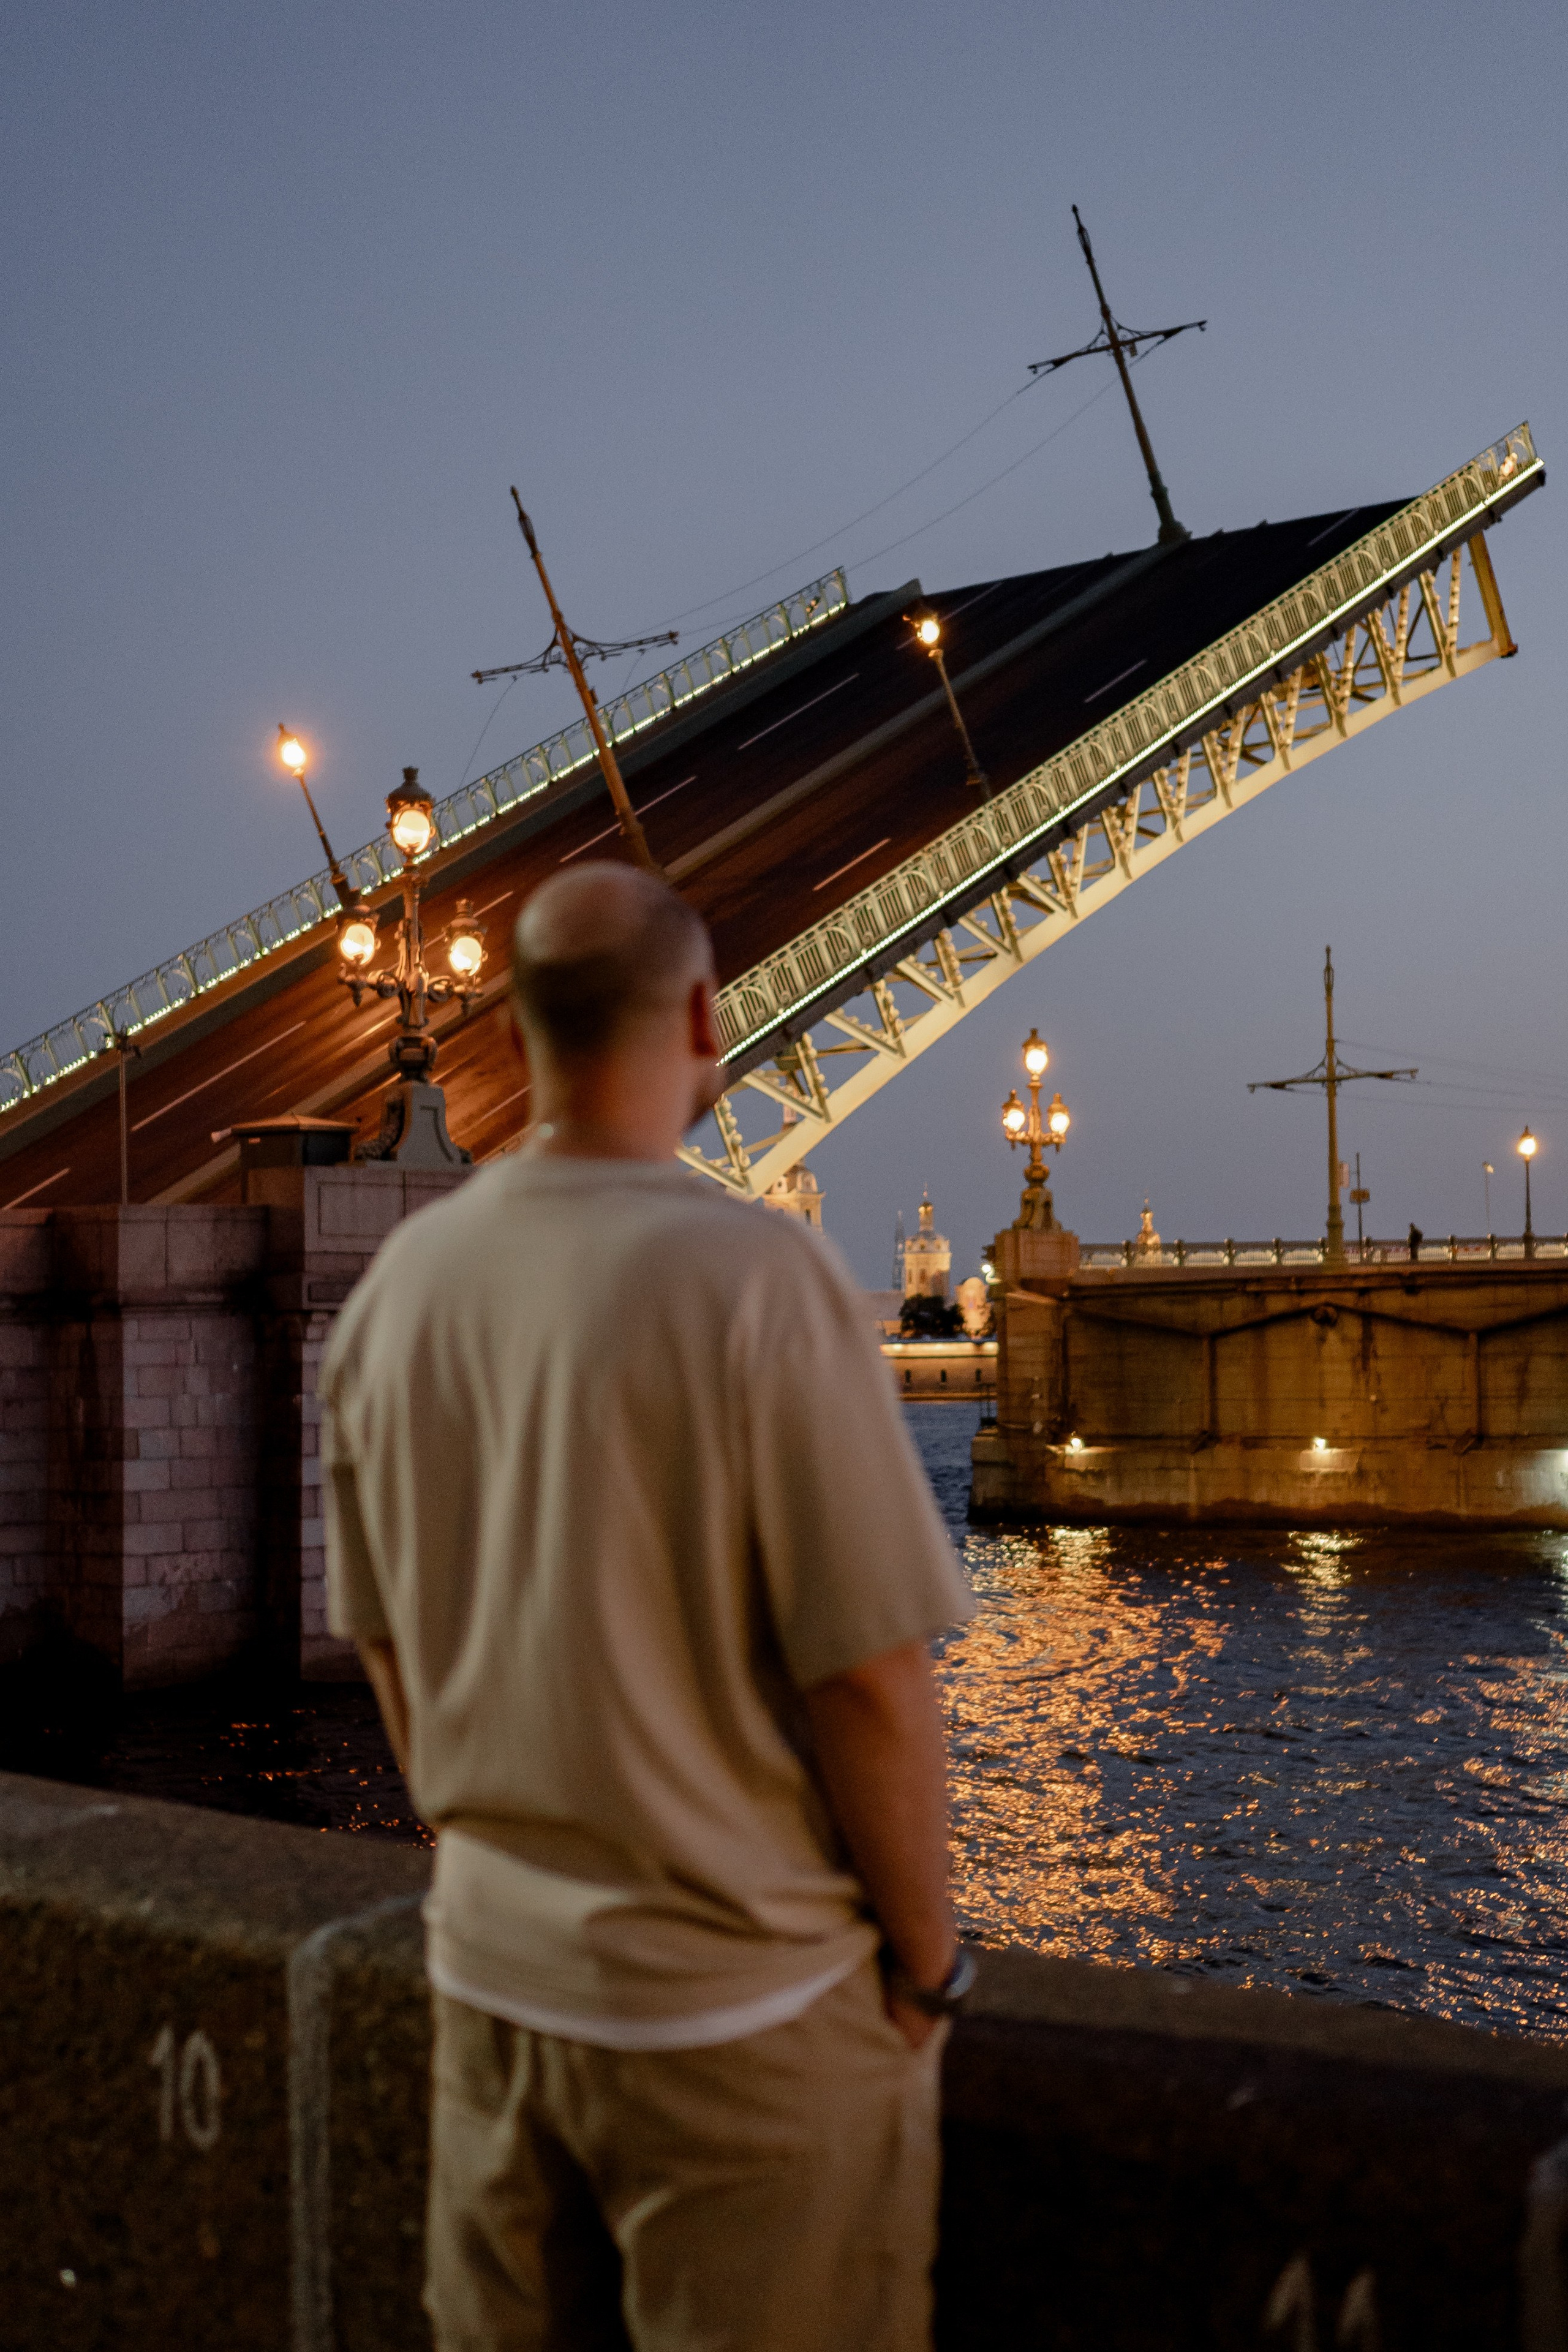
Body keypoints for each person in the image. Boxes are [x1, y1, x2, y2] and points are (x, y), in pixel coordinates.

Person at [322, 863, 975, 2352]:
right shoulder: (756, 1276)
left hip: (491, 1997)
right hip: (736, 2021)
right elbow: (869, 1679)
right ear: (699, 1021)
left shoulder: (401, 1288)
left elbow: (387, 1647)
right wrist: (928, 1970)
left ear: (518, 1034)